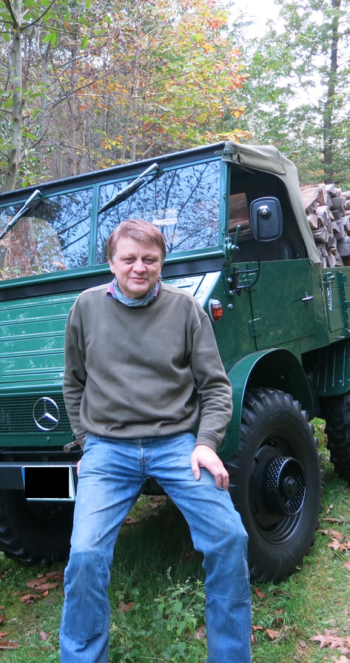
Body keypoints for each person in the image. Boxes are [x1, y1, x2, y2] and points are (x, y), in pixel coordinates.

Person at [60, 219, 252, 663]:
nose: (139, 268)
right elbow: (73, 382)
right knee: (85, 555)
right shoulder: (86, 309)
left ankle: (229, 656)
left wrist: (205, 442)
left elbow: (216, 387)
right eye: (129, 259)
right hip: (108, 450)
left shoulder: (185, 310)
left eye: (149, 259)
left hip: (177, 447)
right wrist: (87, 441)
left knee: (229, 538)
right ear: (112, 262)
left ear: (162, 262)